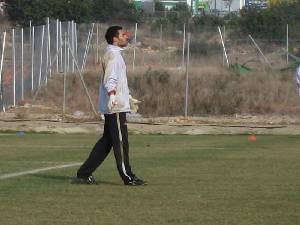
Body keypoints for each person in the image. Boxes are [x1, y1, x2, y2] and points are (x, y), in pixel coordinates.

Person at [75, 26, 146, 186]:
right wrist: (113, 96)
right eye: (123, 35)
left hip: (116, 104)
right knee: (121, 142)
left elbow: (118, 80)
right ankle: (128, 177)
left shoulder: (115, 55)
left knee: (107, 142)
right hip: (115, 107)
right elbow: (110, 80)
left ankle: (84, 173)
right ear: (115, 38)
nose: (126, 37)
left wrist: (127, 97)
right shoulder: (113, 55)